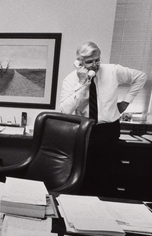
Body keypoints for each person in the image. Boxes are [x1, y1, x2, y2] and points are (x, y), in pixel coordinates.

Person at [59, 42, 146, 195]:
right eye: (89, 61)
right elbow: (65, 110)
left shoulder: (113, 71)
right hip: (83, 131)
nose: (94, 65)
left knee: (105, 175)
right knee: (81, 173)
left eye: (97, 60)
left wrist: (126, 102)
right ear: (79, 62)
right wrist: (82, 83)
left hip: (108, 130)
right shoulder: (71, 79)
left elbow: (141, 76)